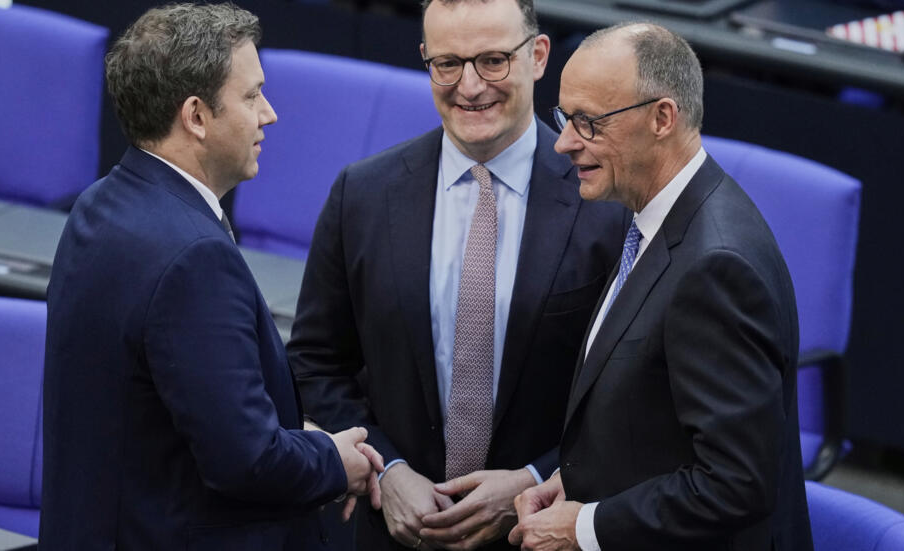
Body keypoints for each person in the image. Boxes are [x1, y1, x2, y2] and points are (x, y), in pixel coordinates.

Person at [286, 0, 625, 549]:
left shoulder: (609, 204)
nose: (469, 86)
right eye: (448, 64)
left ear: (538, 56)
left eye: (493, 61)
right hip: (393, 532)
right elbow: (315, 364)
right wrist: (386, 470)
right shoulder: (363, 194)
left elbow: (632, 398)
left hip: (546, 533)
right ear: (426, 59)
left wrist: (536, 479)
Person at [41, 4, 382, 549]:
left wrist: (299, 438)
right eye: (252, 96)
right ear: (196, 116)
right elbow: (247, 460)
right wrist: (335, 462)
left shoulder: (99, 204)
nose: (269, 114)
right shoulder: (194, 258)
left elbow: (181, 409)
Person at [508, 23, 813, 551]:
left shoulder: (716, 269)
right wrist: (579, 480)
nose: (563, 142)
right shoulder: (654, 219)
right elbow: (654, 418)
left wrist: (585, 527)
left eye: (588, 122)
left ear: (662, 119)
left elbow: (735, 483)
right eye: (564, 118)